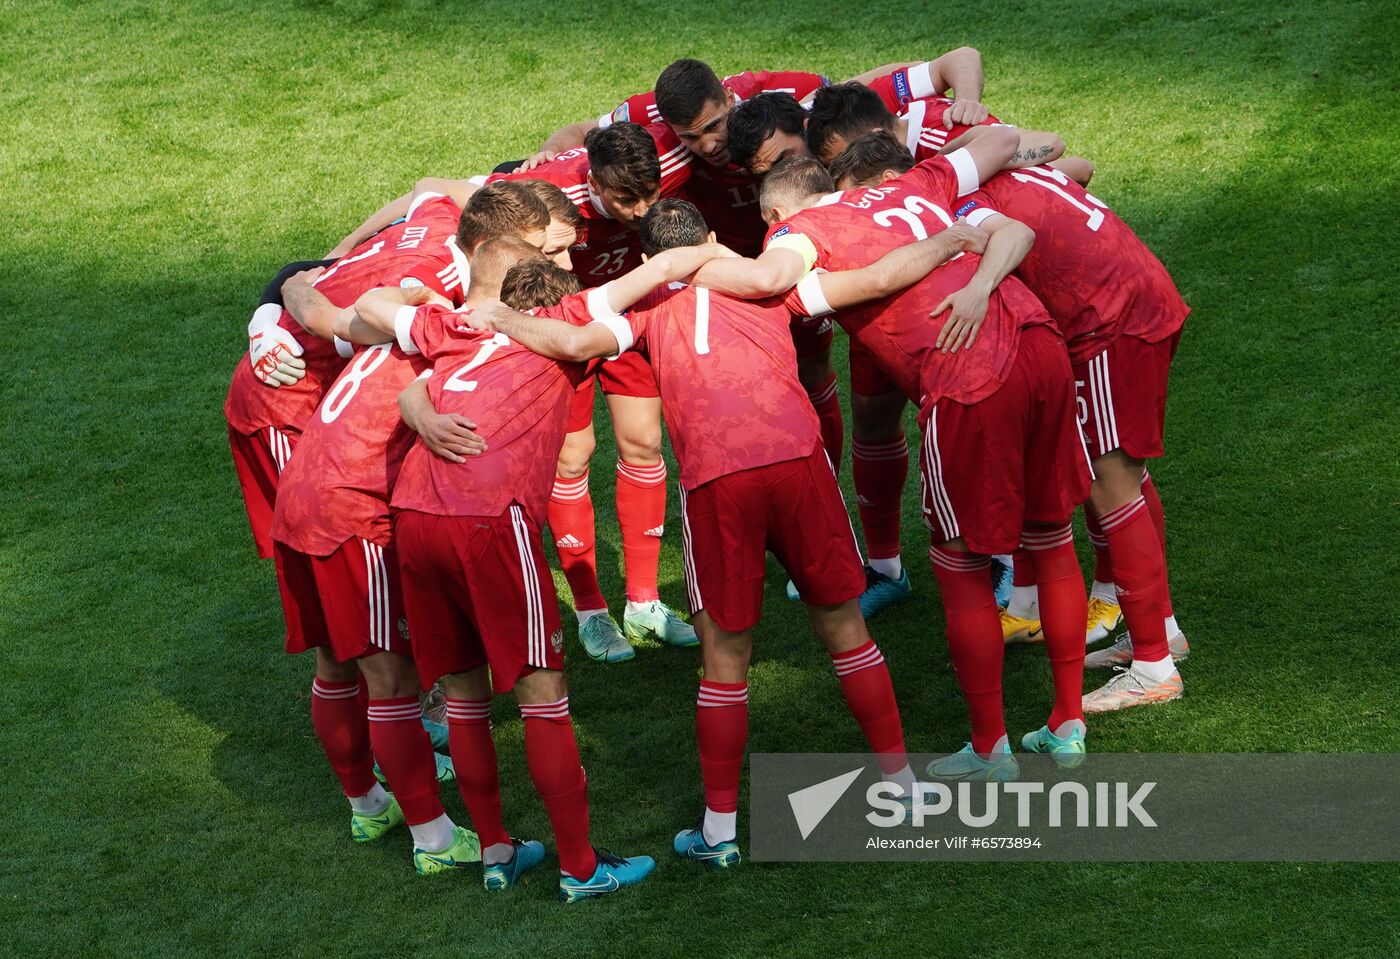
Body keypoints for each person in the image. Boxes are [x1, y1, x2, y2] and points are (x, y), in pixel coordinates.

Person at [466, 198, 991, 865]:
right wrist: (950, 239)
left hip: (718, 480)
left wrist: (501, 316)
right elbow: (882, 276)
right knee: (846, 632)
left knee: (723, 664)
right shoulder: (774, 286)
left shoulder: (645, 311)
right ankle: (902, 783)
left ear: (652, 261)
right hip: (799, 461)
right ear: (710, 239)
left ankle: (719, 831)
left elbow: (568, 343)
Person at [688, 137, 1093, 777]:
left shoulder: (799, 233)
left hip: (968, 375)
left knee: (959, 561)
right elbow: (1003, 145)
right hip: (1039, 341)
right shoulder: (918, 181)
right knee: (1052, 536)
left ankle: (991, 749)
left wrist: (685, 262)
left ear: (774, 218)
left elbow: (775, 279)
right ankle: (1067, 725)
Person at [341, 236, 729, 900]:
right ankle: (581, 868)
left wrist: (424, 406)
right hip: (489, 515)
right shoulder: (573, 321)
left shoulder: (459, 327)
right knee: (543, 697)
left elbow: (370, 306)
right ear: (560, 298)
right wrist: (713, 249)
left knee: (463, 695)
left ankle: (496, 849)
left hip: (414, 512)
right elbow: (656, 275)